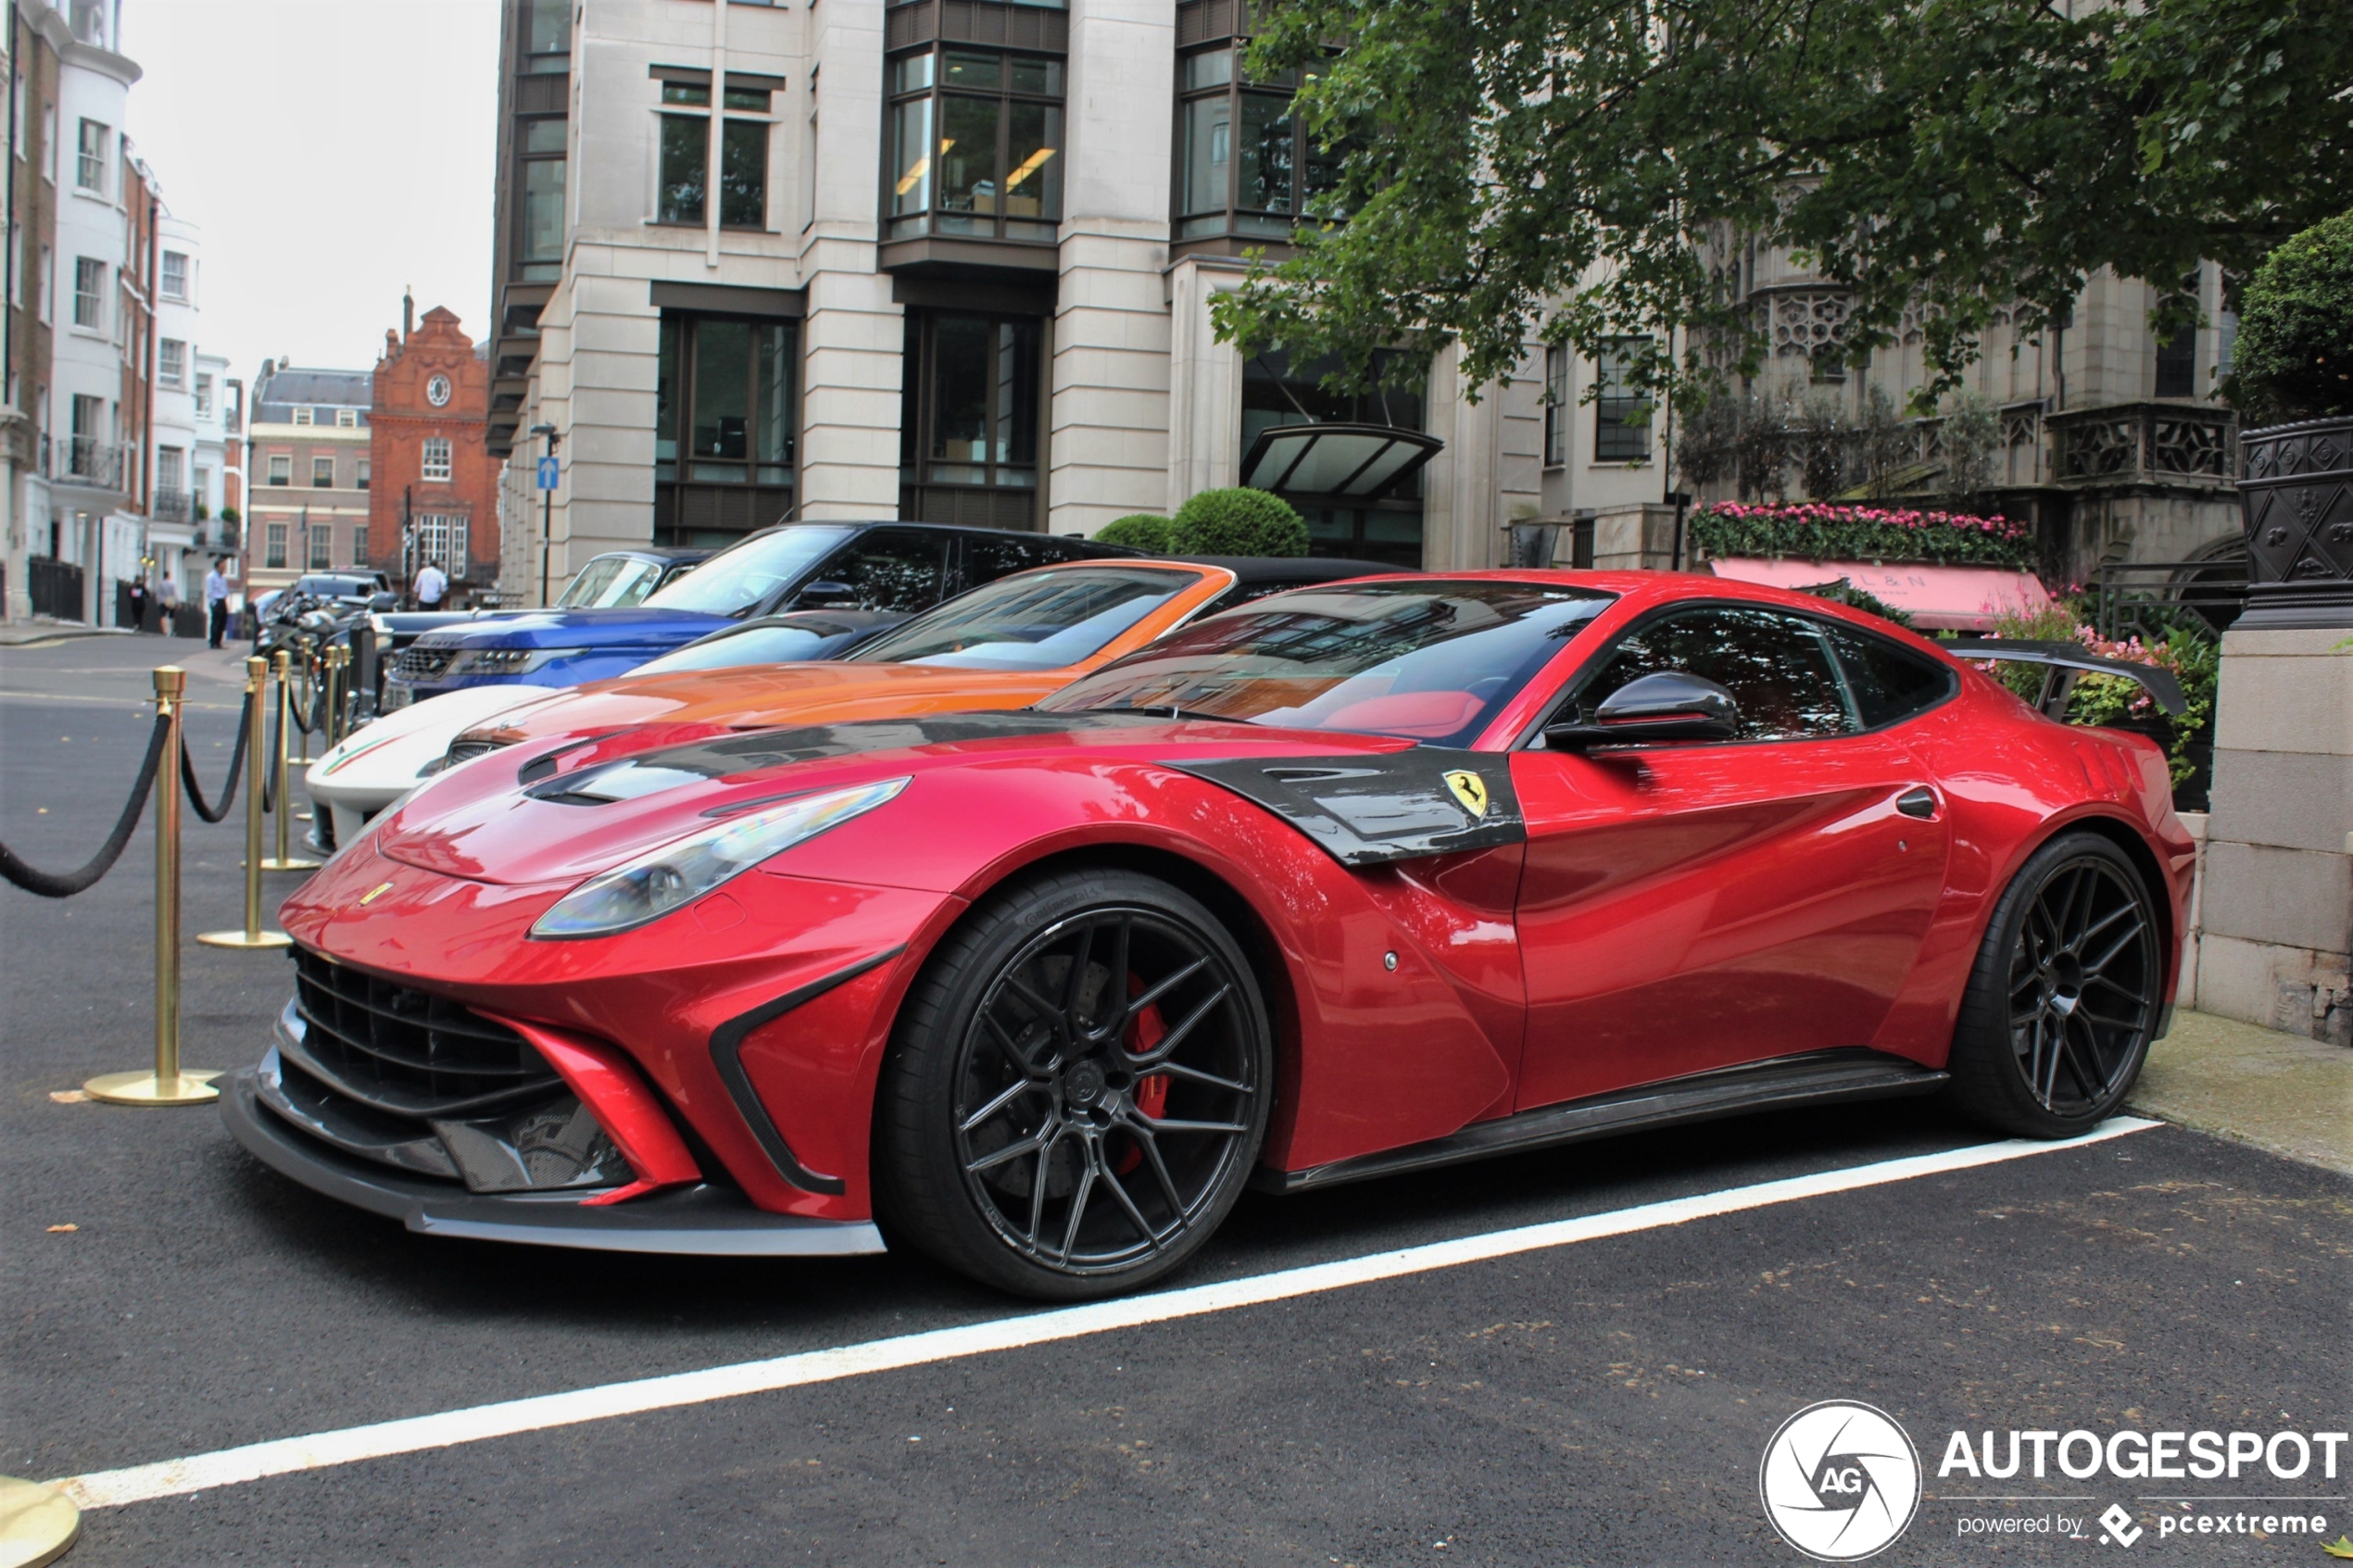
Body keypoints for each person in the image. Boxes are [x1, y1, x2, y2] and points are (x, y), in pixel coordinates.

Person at [204, 558, 231, 648]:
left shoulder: (222, 578)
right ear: (219, 565)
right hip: (216, 601)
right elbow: (210, 591)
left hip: (222, 600)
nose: (225, 568)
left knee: (223, 622)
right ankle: (213, 642)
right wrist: (213, 603)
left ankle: (219, 642)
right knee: (216, 622)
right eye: (223, 565)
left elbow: (224, 589)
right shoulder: (211, 577)